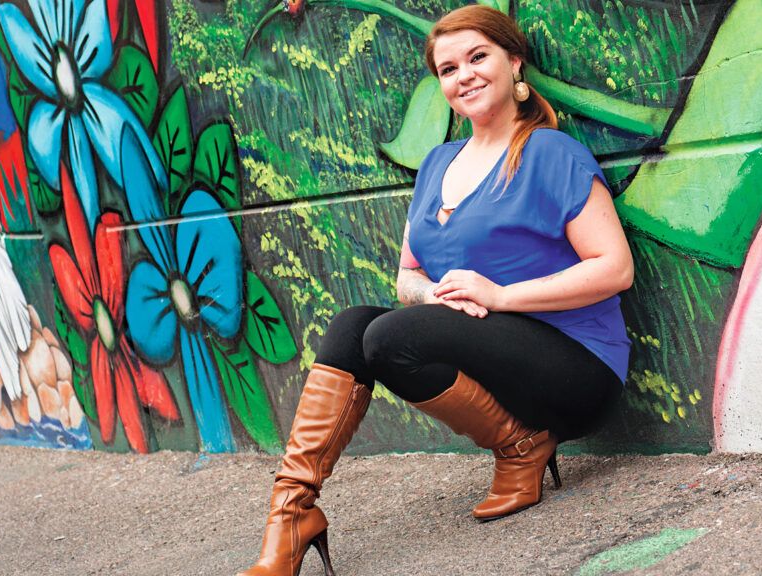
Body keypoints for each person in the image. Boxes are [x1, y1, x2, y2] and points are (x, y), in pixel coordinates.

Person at [237, 5, 633, 575]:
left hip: (575, 366)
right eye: (448, 68)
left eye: (478, 57)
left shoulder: (550, 152)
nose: (463, 75)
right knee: (354, 325)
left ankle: (522, 450)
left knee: (392, 338)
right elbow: (408, 276)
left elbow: (615, 268)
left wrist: (498, 296)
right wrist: (437, 297)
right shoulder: (436, 165)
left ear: (513, 62)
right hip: (490, 352)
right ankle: (291, 512)